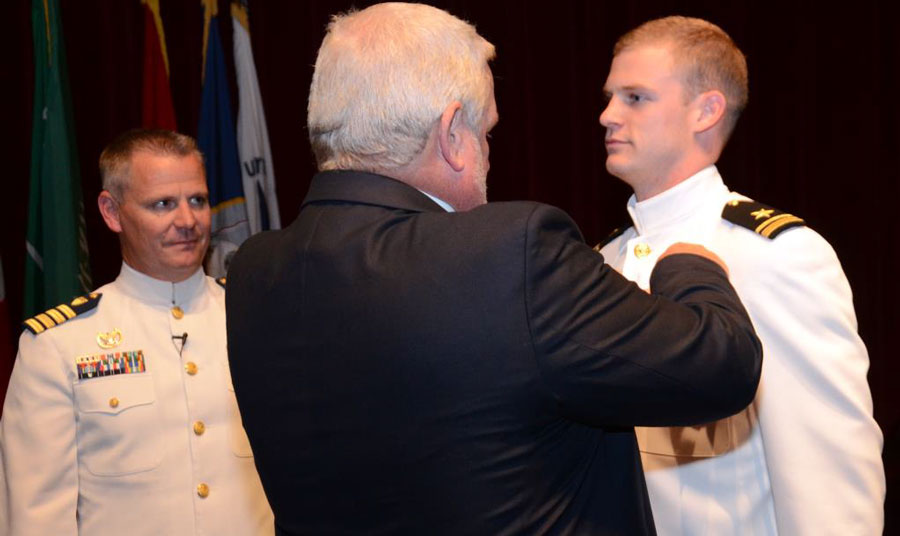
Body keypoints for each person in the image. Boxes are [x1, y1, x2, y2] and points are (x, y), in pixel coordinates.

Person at [225, 4, 762, 534]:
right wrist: (688, 265)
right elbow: (721, 367)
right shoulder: (508, 254)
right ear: (451, 134)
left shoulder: (253, 273)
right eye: (487, 134)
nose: (487, 155)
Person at [597, 16, 885, 535]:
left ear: (706, 111)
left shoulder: (775, 255)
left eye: (635, 97)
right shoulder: (605, 260)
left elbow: (829, 481)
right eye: (611, 97)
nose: (607, 115)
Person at [0, 129, 274, 535]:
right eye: (163, 204)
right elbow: (35, 518)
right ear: (112, 212)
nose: (187, 221)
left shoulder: (260, 319)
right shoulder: (58, 345)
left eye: (197, 200)